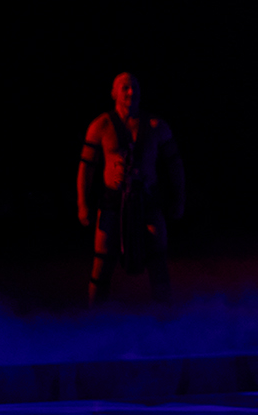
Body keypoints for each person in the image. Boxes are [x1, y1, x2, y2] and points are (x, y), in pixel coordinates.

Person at [77, 73, 185, 306]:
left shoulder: (157, 126)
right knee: (101, 266)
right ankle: (96, 322)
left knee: (158, 263)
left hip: (148, 202)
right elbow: (86, 168)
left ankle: (165, 321)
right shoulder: (101, 126)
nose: (131, 92)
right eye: (125, 87)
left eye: (134, 87)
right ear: (114, 93)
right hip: (111, 203)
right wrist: (82, 204)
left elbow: (175, 165)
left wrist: (179, 199)